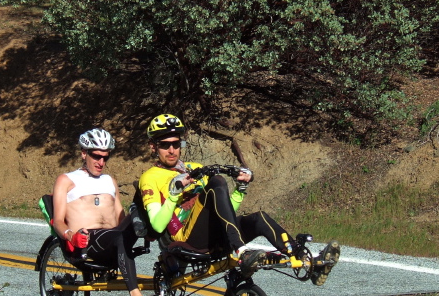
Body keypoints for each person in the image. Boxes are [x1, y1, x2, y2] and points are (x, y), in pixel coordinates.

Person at [137, 113, 338, 283]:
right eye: (164, 145)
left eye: (176, 144)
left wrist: (240, 189)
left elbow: (224, 211)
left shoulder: (194, 168)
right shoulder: (150, 178)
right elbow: (157, 225)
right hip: (186, 239)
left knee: (259, 219)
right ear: (153, 147)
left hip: (216, 235)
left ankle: (306, 261)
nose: (172, 150)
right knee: (216, 181)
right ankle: (240, 250)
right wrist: (174, 193)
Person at [51, 127, 166, 296]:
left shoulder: (110, 181)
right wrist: (71, 235)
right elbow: (58, 221)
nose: (101, 162)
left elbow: (120, 218)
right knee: (119, 236)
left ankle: (171, 263)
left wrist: (142, 225)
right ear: (83, 153)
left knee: (145, 211)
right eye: (96, 156)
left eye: (105, 157)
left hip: (113, 237)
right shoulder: (67, 180)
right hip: (88, 242)